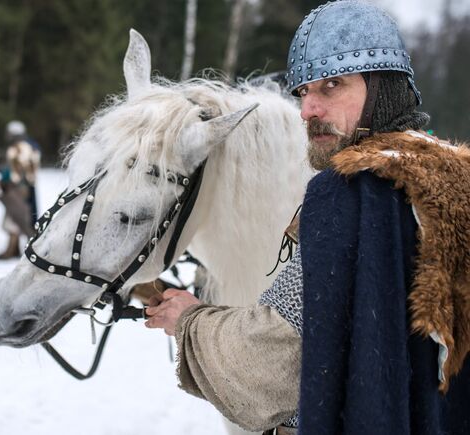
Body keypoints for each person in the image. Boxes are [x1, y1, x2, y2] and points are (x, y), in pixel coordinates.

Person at [144, 2, 469, 434]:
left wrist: (189, 320)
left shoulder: (352, 191)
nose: (308, 110)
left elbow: (275, 363)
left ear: (384, 87)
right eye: (303, 91)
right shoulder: (453, 175)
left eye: (332, 85)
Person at [0, 120, 40, 260]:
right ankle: (14, 249)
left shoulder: (19, 148)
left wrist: (2, 176)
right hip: (27, 188)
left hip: (17, 188)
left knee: (14, 218)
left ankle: (11, 249)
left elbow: (15, 171)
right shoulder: (32, 147)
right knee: (19, 217)